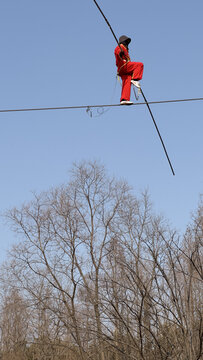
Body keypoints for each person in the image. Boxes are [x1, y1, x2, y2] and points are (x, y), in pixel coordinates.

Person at [114, 35, 144, 105]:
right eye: (126, 42)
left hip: (123, 70)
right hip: (123, 65)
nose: (127, 43)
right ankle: (135, 79)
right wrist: (120, 53)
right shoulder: (121, 46)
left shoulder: (125, 49)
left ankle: (124, 99)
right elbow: (117, 51)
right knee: (139, 65)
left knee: (127, 81)